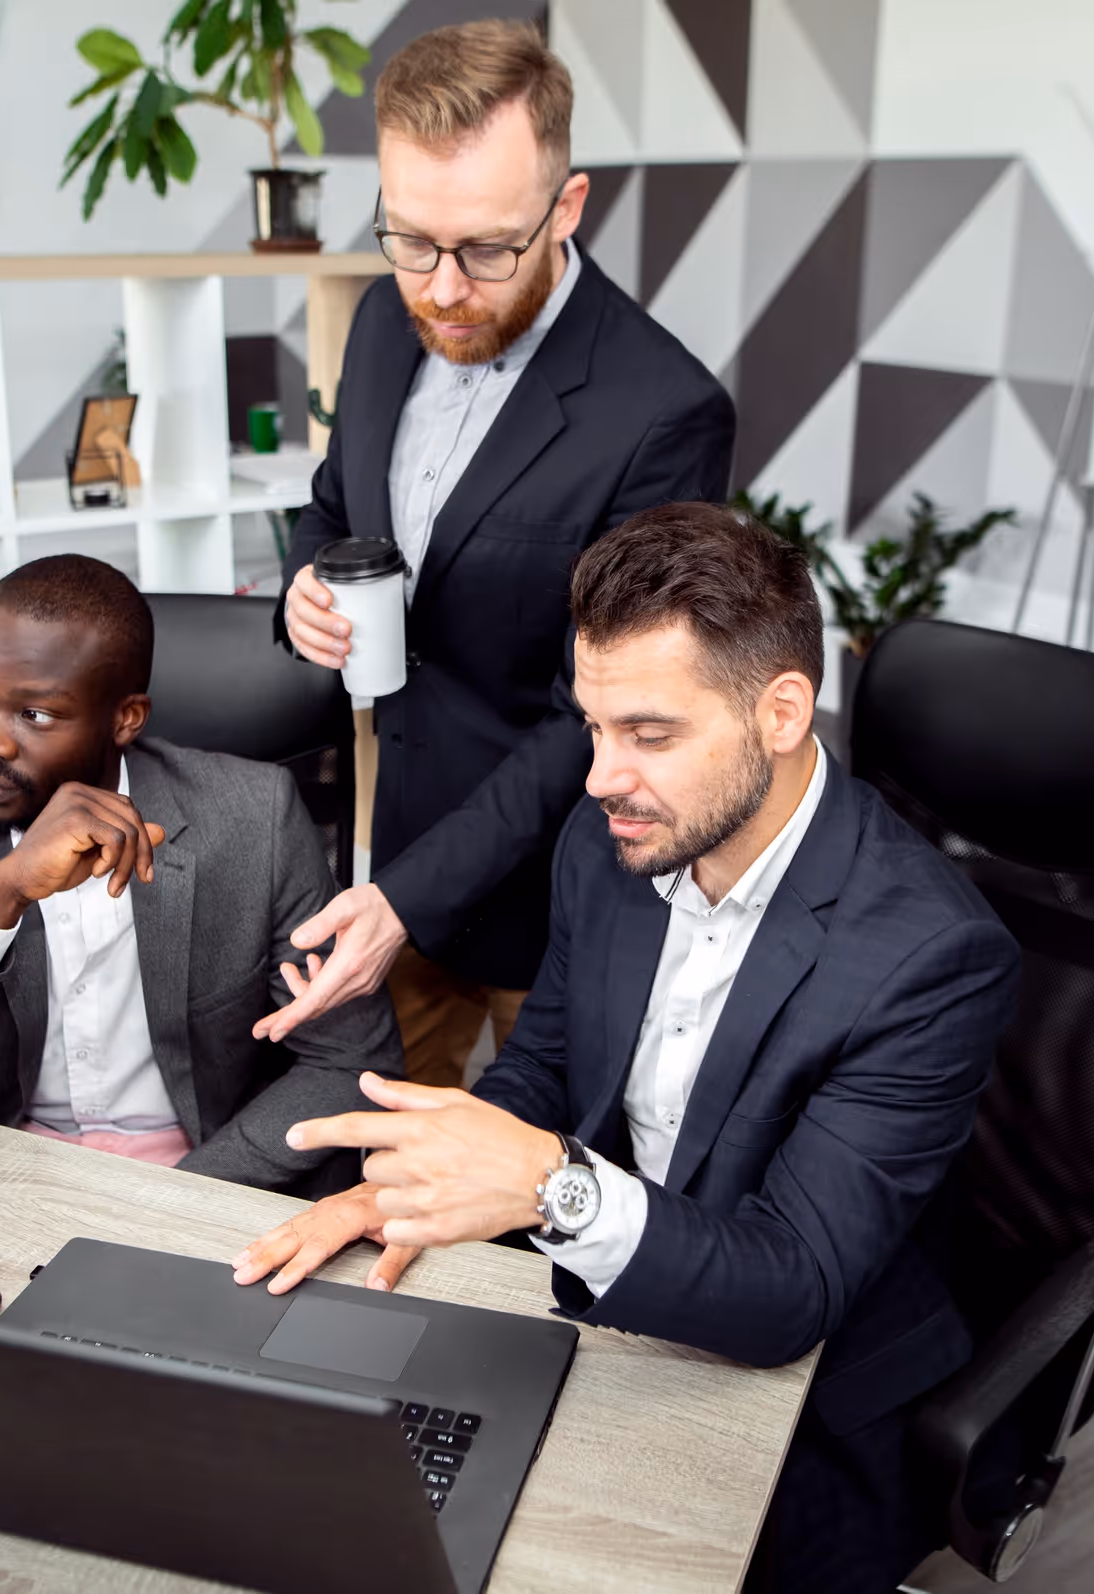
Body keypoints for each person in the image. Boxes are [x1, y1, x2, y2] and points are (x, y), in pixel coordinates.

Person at [235, 505, 1022, 1589]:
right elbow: (544, 1067)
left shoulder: (930, 956)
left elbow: (793, 1287)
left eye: (648, 734)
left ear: (780, 712)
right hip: (611, 1306)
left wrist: (550, 1189)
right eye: (593, 727)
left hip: (806, 1396)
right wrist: (421, 1183)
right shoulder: (610, 843)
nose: (601, 774)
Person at [264, 20, 736, 1089]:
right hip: (402, 858)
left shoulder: (663, 411)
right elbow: (336, 503)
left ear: (564, 207)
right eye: (409, 239)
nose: (437, 288)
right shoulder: (388, 322)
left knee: (544, 1223)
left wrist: (411, 894)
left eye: (484, 250)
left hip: (566, 902)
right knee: (381, 1186)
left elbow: (603, 711)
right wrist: (304, 588)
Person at [0, 555, 403, 1192]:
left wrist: (178, 1202)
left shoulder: (255, 818)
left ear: (126, 720)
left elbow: (352, 1059)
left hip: (204, 1171)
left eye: (33, 715)